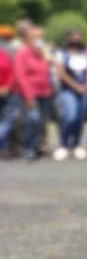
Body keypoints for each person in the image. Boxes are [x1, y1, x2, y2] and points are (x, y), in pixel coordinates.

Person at [10, 22, 52, 160]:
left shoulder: (43, 53)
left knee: (41, 122)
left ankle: (35, 147)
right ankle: (27, 147)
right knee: (33, 119)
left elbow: (49, 70)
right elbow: (20, 77)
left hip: (44, 92)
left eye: (41, 38)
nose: (39, 40)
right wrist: (28, 97)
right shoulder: (22, 53)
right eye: (36, 38)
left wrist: (46, 54)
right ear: (28, 39)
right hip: (29, 93)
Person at [54, 29, 87, 161]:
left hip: (84, 90)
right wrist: (76, 86)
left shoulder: (85, 53)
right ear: (68, 38)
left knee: (80, 118)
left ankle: (77, 144)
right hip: (68, 90)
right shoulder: (61, 54)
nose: (76, 39)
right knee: (70, 116)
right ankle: (63, 145)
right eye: (73, 37)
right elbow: (61, 73)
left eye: (79, 37)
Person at [0, 25, 13, 155]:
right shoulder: (10, 49)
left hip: (5, 91)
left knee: (6, 119)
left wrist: (7, 86)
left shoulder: (5, 52)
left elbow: (10, 71)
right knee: (6, 120)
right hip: (5, 90)